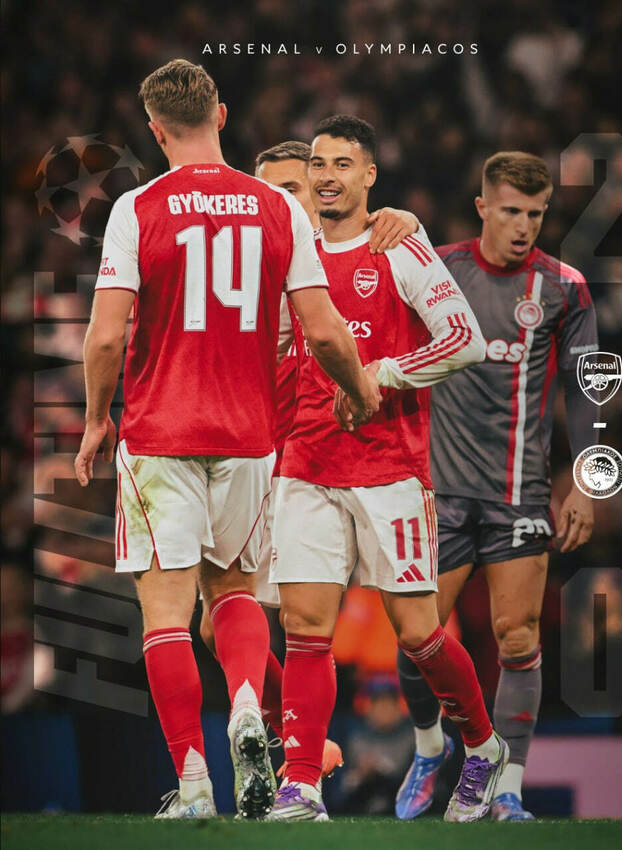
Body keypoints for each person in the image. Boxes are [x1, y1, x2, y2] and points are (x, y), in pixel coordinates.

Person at [74, 60, 380, 820]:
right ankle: (247, 701)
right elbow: (323, 330)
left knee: (167, 614)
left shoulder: (137, 208)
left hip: (159, 433)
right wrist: (359, 387)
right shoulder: (278, 209)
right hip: (249, 438)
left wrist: (95, 419)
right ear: (221, 113)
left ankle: (194, 783)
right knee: (235, 593)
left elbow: (105, 336)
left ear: (155, 131)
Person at [266, 115, 508, 824]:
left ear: (370, 175)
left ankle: (483, 746)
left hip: (389, 469)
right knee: (305, 631)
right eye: (319, 164)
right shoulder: (292, 253)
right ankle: (301, 786)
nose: (328, 176)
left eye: (343, 164)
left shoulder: (396, 244)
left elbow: (465, 338)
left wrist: (382, 372)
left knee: (418, 635)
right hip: (305, 463)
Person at [196, 139, 417, 780]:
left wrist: (401, 220)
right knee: (218, 624)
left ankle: (303, 750)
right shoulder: (247, 264)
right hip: (245, 451)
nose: (279, 205)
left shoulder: (331, 262)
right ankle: (284, 731)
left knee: (297, 623)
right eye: (267, 194)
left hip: (309, 466)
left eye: (291, 191)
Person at [395, 151, 598, 822]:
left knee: (518, 637)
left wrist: (587, 481)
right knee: (417, 637)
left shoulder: (564, 287)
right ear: (483, 207)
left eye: (536, 214)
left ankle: (507, 789)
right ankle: (430, 746)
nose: (524, 226)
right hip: (439, 493)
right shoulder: (438, 270)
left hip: (519, 495)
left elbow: (587, 388)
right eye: (511, 211)